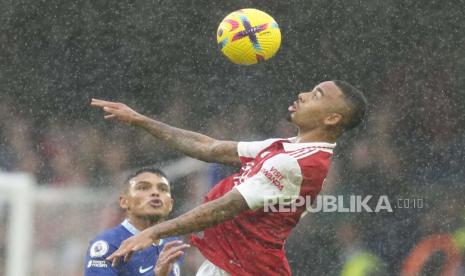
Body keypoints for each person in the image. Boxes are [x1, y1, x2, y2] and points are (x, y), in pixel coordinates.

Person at [90, 80, 367, 275]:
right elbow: (210, 148)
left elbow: (224, 208)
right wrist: (141, 120)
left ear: (331, 118)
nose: (304, 94)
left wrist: (153, 231)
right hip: (231, 264)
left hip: (244, 269)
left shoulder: (295, 162)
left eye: (317, 95)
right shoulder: (290, 145)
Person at [84, 167, 189, 276]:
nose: (155, 193)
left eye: (163, 189)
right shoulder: (109, 243)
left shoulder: (173, 243)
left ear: (170, 205)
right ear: (124, 202)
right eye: (143, 188)